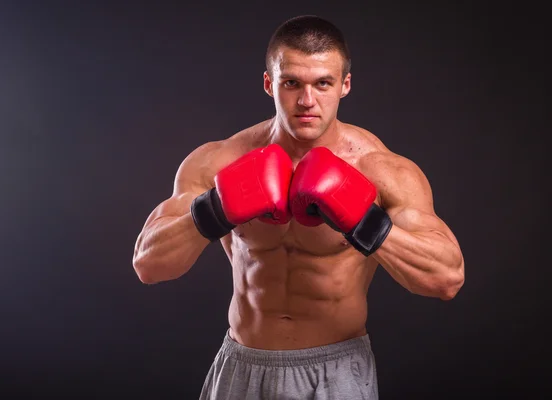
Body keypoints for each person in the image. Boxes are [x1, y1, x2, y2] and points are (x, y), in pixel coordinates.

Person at [132, 15, 465, 400]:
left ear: (345, 85)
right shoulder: (220, 161)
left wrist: (364, 221)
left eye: (323, 83)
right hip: (242, 363)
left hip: (335, 371)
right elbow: (148, 265)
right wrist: (216, 208)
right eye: (292, 83)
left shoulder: (382, 170)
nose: (307, 101)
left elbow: (447, 278)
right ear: (269, 83)